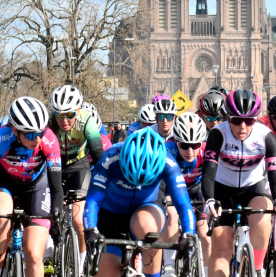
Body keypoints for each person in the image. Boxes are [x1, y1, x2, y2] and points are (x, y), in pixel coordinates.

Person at [84, 128, 196, 277]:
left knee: (147, 226)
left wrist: (189, 234)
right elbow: (93, 200)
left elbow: (183, 204)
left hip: (146, 208)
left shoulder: (167, 162)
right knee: (107, 272)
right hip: (110, 214)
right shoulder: (110, 158)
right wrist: (90, 230)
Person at [202, 89, 276, 277]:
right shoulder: (218, 134)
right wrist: (209, 200)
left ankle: (257, 269)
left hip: (254, 187)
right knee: (221, 249)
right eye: (236, 120)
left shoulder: (266, 136)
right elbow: (208, 173)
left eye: (249, 121)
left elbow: (275, 175)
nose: (242, 126)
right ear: (227, 117)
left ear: (256, 119)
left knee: (263, 218)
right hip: (223, 189)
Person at [0, 96, 63, 277]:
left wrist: (56, 214)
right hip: (4, 182)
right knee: (1, 214)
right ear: (15, 129)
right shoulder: (1, 138)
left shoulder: (49, 140)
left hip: (36, 186)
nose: (37, 139)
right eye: (30, 134)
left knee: (33, 254)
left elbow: (56, 186)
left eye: (40, 132)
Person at [48, 85, 104, 269]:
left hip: (78, 166)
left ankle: (79, 267)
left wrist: (102, 182)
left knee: (79, 221)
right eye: (59, 115)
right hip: (54, 165)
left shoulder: (87, 121)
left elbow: (97, 155)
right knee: (49, 213)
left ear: (78, 111)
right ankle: (49, 254)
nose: (64, 120)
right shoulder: (49, 123)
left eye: (69, 114)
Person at [162, 112, 210, 276]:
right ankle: (169, 266)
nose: (190, 151)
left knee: (205, 234)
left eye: (195, 145)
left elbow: (215, 177)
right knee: (171, 214)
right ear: (176, 142)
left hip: (197, 190)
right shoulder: (168, 150)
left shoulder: (206, 150)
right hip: (173, 189)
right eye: (184, 146)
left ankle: (206, 271)